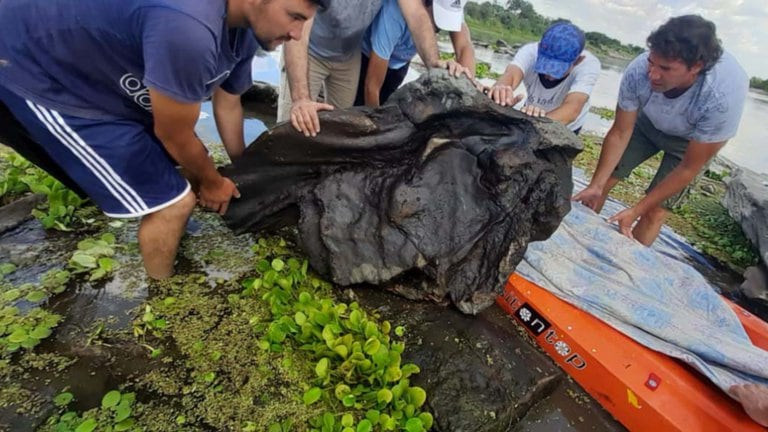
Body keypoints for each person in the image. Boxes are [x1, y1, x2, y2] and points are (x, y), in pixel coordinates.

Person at [0, 0, 326, 279]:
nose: (297, 34)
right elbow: (173, 133)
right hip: (37, 70)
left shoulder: (243, 31)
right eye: (294, 16)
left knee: (175, 172)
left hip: (104, 73)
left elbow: (228, 103)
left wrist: (244, 173)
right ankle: (161, 296)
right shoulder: (190, 28)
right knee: (174, 202)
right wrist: (212, 182)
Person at [572, 15, 748, 246]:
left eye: (665, 68)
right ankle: (579, 242)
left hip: (689, 142)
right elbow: (620, 132)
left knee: (654, 211)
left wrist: (636, 209)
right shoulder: (639, 70)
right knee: (601, 185)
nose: (653, 74)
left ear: (696, 67)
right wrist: (595, 185)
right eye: (652, 63)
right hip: (646, 123)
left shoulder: (721, 97)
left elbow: (688, 168)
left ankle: (626, 262)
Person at [279, 0, 471, 137]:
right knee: (292, 125)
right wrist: (301, 98)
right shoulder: (392, 17)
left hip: (348, 55)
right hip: (310, 50)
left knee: (341, 129)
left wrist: (434, 63)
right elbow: (298, 28)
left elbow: (416, 13)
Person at [355, 0, 476, 107]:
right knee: (361, 106)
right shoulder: (394, 15)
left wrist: (469, 84)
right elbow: (371, 87)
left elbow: (464, 46)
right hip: (367, 58)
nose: (437, 28)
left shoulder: (452, 5)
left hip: (400, 64)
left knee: (386, 102)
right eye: (436, 19)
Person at [486, 22, 600, 134]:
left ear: (578, 60)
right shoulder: (529, 52)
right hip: (532, 112)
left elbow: (572, 108)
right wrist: (501, 91)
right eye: (544, 66)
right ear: (539, 48)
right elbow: (510, 75)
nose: (549, 76)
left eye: (558, 70)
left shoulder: (588, 66)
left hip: (567, 126)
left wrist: (533, 125)